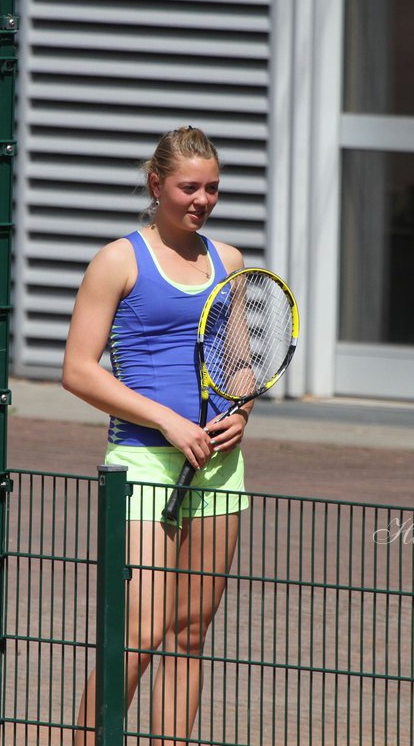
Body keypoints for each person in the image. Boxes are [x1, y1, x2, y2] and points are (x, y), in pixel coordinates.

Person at [64, 126, 249, 745]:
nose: (201, 200)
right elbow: (78, 371)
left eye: (212, 189)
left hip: (219, 467)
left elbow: (242, 361)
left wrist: (242, 412)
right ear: (156, 184)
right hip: (143, 462)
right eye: (188, 187)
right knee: (139, 631)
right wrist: (167, 420)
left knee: (191, 634)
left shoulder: (228, 262)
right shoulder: (118, 259)